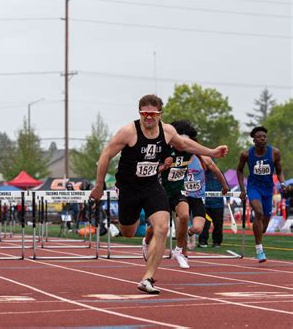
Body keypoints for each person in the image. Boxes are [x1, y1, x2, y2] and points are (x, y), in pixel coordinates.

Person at [89, 94, 228, 294]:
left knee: (162, 227)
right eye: (144, 113)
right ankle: (143, 240)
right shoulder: (128, 132)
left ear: (159, 114)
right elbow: (105, 155)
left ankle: (147, 278)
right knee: (128, 231)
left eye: (152, 114)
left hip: (152, 185)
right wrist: (99, 185)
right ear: (139, 113)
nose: (148, 117)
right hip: (128, 187)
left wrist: (211, 152)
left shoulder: (168, 131)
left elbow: (186, 145)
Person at [142, 120, 195, 269]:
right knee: (157, 227)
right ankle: (146, 242)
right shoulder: (164, 150)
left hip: (178, 190)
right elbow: (151, 170)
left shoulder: (190, 149)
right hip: (161, 191)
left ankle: (179, 251)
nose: (183, 143)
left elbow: (204, 156)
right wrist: (163, 166)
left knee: (184, 216)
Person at [237, 126, 287, 262]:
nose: (263, 139)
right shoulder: (246, 154)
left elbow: (279, 171)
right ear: (254, 140)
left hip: (268, 189)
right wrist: (242, 189)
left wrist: (282, 183)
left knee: (264, 223)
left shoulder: (274, 153)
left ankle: (260, 232)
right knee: (258, 213)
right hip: (253, 187)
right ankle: (259, 250)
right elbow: (240, 170)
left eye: (264, 136)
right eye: (259, 137)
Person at [199, 168, 227, 248]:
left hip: (218, 204)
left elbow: (226, 186)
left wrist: (228, 198)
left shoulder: (219, 172)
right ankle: (202, 241)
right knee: (204, 224)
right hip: (205, 204)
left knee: (218, 224)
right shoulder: (202, 173)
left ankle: (217, 242)